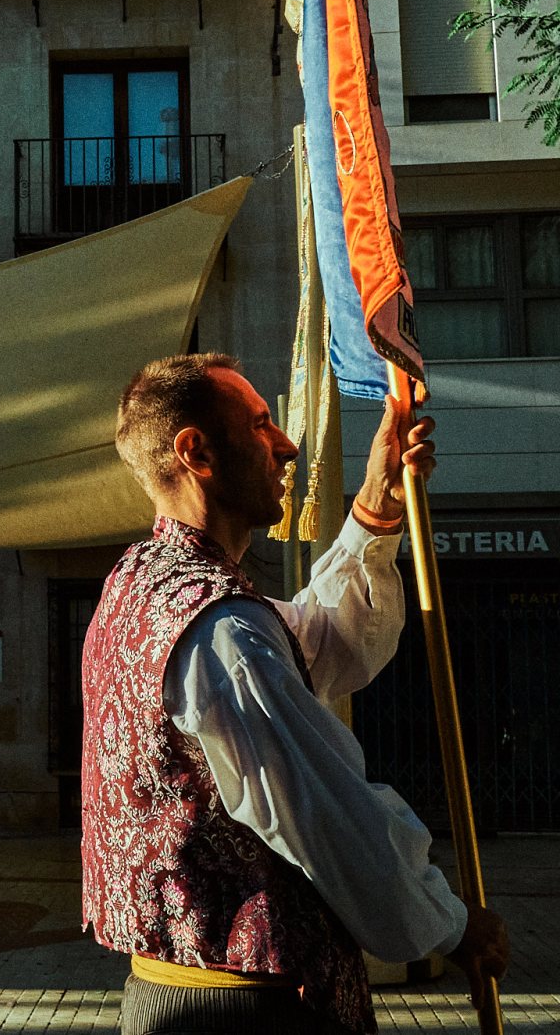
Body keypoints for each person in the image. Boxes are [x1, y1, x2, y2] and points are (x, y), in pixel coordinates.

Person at [80, 353, 509, 1035]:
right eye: (259, 425)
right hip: (243, 1012)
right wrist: (451, 925)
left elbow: (320, 641)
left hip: (185, 998)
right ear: (196, 451)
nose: (286, 445)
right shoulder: (216, 624)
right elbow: (324, 812)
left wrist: (376, 504)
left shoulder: (142, 586)